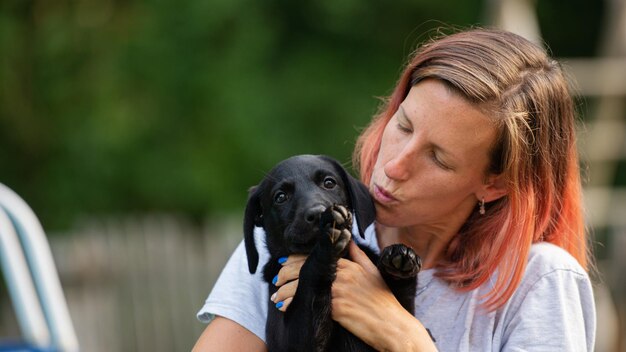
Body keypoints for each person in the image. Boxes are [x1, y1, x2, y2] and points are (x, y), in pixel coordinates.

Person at [192, 28, 596, 351]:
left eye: (438, 158)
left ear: (495, 184)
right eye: (403, 126)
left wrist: (405, 337)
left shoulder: (537, 282)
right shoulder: (292, 234)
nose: (394, 165)